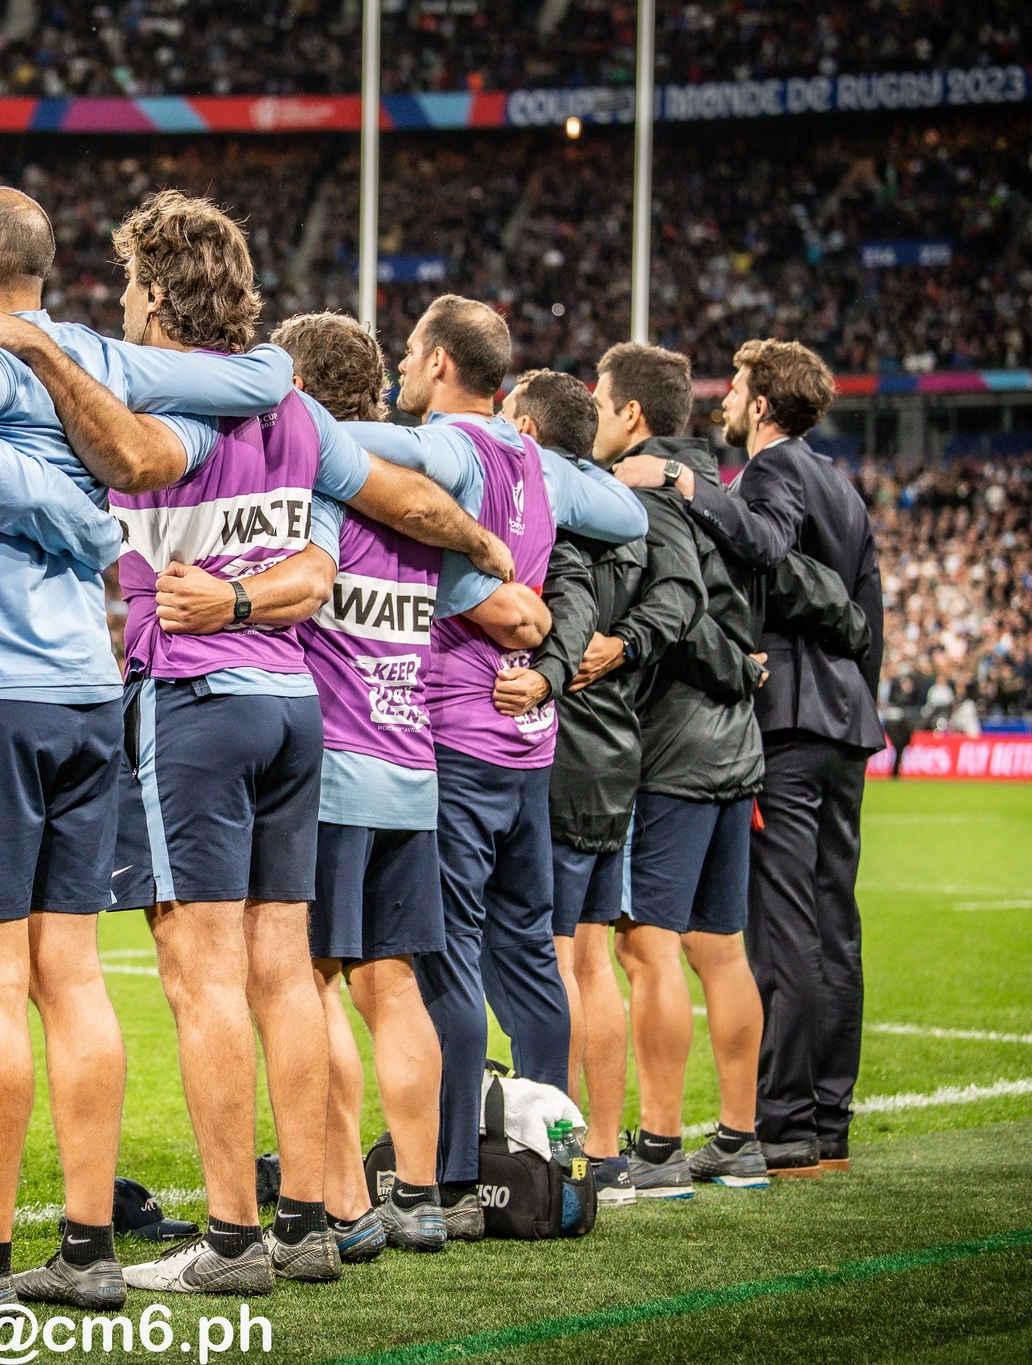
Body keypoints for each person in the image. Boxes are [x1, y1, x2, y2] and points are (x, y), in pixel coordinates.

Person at [0, 185, 503, 1303]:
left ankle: (36, 1255)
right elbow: (334, 492)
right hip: (187, 699)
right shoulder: (267, 401)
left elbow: (102, 461)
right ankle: (262, 1222)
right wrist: (485, 551)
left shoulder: (110, 396)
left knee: (35, 982)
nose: (117, 305)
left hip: (74, 695)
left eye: (131, 290)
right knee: (242, 978)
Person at [334, 298, 647, 1236]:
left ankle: (459, 1177)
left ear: (434, 362)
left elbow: (382, 455)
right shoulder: (541, 461)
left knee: (446, 960)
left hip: (460, 735)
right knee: (530, 957)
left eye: (409, 361)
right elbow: (626, 511)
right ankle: (548, 1155)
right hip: (528, 748)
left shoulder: (458, 448)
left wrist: (281, 414)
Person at [615, 338, 884, 1178]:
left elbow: (764, 547)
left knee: (783, 923)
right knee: (836, 921)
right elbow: (863, 608)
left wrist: (683, 482)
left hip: (791, 718)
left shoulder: (768, 473)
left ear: (762, 405)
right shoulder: (842, 485)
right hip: (846, 718)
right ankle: (827, 1119)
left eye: (734, 386)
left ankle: (786, 1124)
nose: (724, 398)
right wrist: (858, 692)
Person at [251, 312, 452, 1259]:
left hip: (332, 765)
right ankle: (419, 1192)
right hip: (412, 762)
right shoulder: (421, 493)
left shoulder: (321, 480)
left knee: (310, 982)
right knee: (395, 984)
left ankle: (339, 1200)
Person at [498, 365, 704, 1208]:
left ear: (534, 435)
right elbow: (680, 600)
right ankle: (610, 1153)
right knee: (593, 959)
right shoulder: (631, 518)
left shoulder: (558, 521)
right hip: (619, 747)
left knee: (551, 959)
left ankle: (558, 1147)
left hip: (564, 743)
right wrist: (630, 647)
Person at [589, 342, 770, 1196]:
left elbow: (683, 602)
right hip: (734, 744)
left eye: (599, 394)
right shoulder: (722, 487)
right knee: (720, 947)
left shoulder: (645, 485)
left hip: (674, 745)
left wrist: (732, 664)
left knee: (647, 946)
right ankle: (739, 1138)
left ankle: (659, 1145)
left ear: (632, 414)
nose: (590, 406)